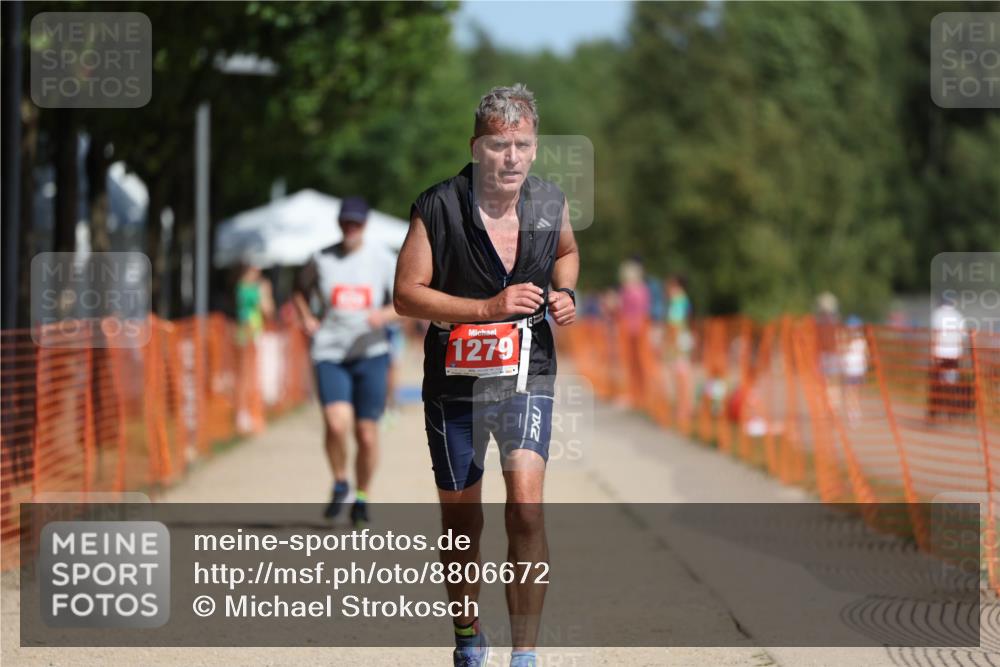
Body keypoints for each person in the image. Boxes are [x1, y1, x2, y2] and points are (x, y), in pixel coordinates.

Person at [394, 84, 578, 667]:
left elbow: (567, 252)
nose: (512, 157)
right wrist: (486, 310)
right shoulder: (438, 207)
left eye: (523, 144)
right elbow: (405, 295)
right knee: (462, 517)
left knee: (526, 507)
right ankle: (469, 637)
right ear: (476, 147)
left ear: (535, 147)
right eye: (500, 145)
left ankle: (524, 652)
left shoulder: (550, 204)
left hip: (527, 374)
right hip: (455, 383)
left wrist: (565, 291)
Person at [293, 196, 398, 526]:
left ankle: (362, 495)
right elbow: (299, 291)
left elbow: (406, 301)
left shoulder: (383, 258)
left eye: (356, 222)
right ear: (339, 224)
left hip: (370, 353)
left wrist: (384, 314)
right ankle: (341, 481)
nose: (350, 228)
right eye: (345, 222)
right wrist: (307, 317)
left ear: (365, 224)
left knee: (366, 434)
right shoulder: (321, 258)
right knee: (336, 423)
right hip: (330, 352)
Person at [235, 263, 274, 434]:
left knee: (247, 374)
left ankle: (247, 412)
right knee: (249, 375)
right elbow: (267, 310)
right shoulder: (252, 288)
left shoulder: (242, 286)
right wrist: (265, 293)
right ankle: (247, 413)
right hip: (250, 332)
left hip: (249, 331)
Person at [928, 299, 967, 421]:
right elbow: (962, 337)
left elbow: (935, 334)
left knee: (936, 383)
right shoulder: (959, 316)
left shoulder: (937, 314)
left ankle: (934, 413)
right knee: (952, 383)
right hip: (954, 354)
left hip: (939, 353)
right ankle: (952, 411)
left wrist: (932, 352)